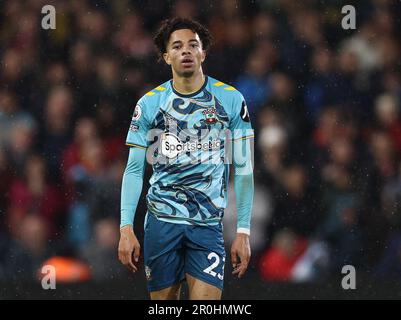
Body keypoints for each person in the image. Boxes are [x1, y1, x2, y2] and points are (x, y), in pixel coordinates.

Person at [118, 17, 254, 300]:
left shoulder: (231, 100)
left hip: (207, 226)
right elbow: (133, 170)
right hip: (161, 222)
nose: (186, 51)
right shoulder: (149, 104)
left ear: (203, 52)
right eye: (177, 46)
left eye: (193, 45)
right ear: (166, 56)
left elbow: (243, 168)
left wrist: (243, 231)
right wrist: (125, 227)